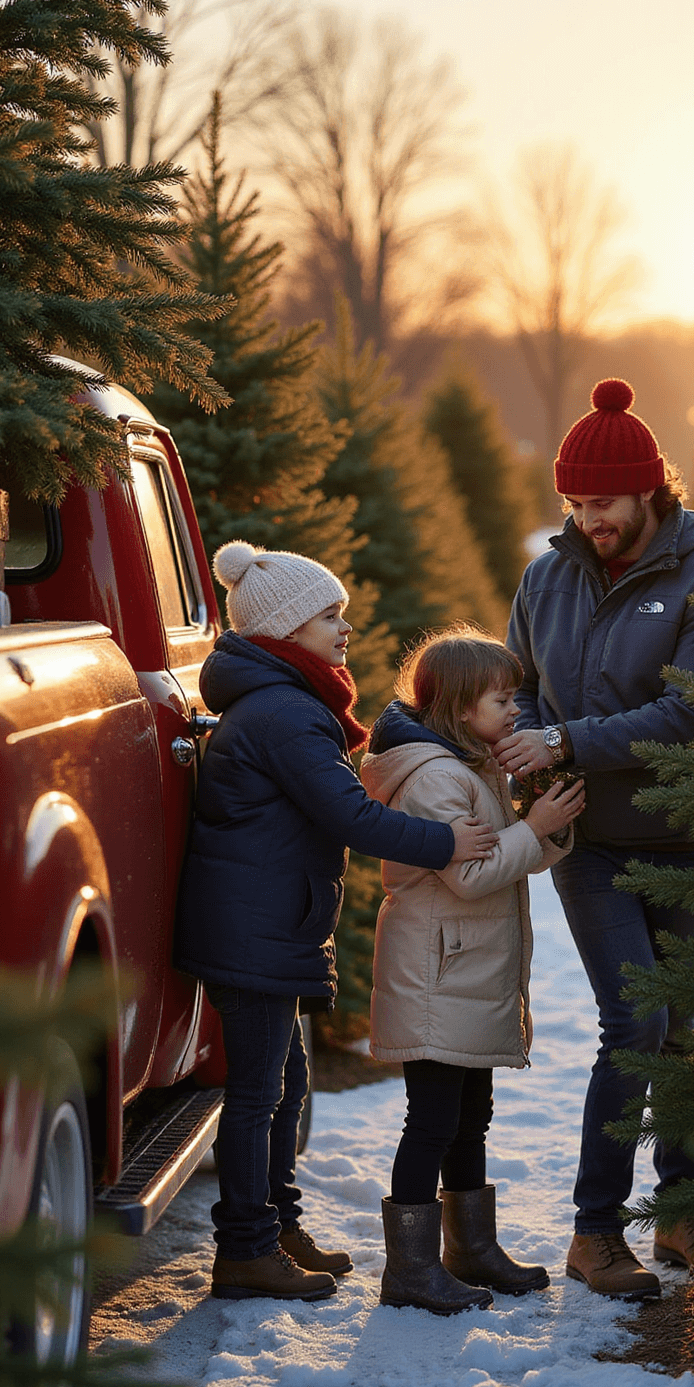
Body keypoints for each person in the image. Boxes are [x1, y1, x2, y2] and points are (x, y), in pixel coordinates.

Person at [175, 545, 498, 1305]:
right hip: (251, 930)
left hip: (266, 924)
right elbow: (350, 816)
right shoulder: (287, 713)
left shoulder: (287, 701)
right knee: (257, 1094)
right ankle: (245, 1249)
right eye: (329, 616)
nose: (345, 628)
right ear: (287, 631)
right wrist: (445, 841)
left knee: (285, 1084)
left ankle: (277, 1227)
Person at [494, 379, 694, 1297]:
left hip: (683, 839)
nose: (587, 519)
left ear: (650, 491)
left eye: (602, 503)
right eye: (575, 504)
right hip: (588, 840)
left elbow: (692, 714)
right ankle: (595, 1232)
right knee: (633, 1022)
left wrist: (565, 738)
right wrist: (528, 746)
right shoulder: (546, 576)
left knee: (682, 1030)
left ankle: (682, 1216)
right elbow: (515, 683)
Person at [361, 627, 585, 1314]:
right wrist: (532, 825)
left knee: (471, 1116)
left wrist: (545, 825)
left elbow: (506, 857)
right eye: (502, 697)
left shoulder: (473, 764)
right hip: (435, 971)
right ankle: (409, 1269)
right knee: (431, 1119)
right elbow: (472, 875)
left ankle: (471, 1250)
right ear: (462, 708)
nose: (515, 707)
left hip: (463, 969)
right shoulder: (435, 777)